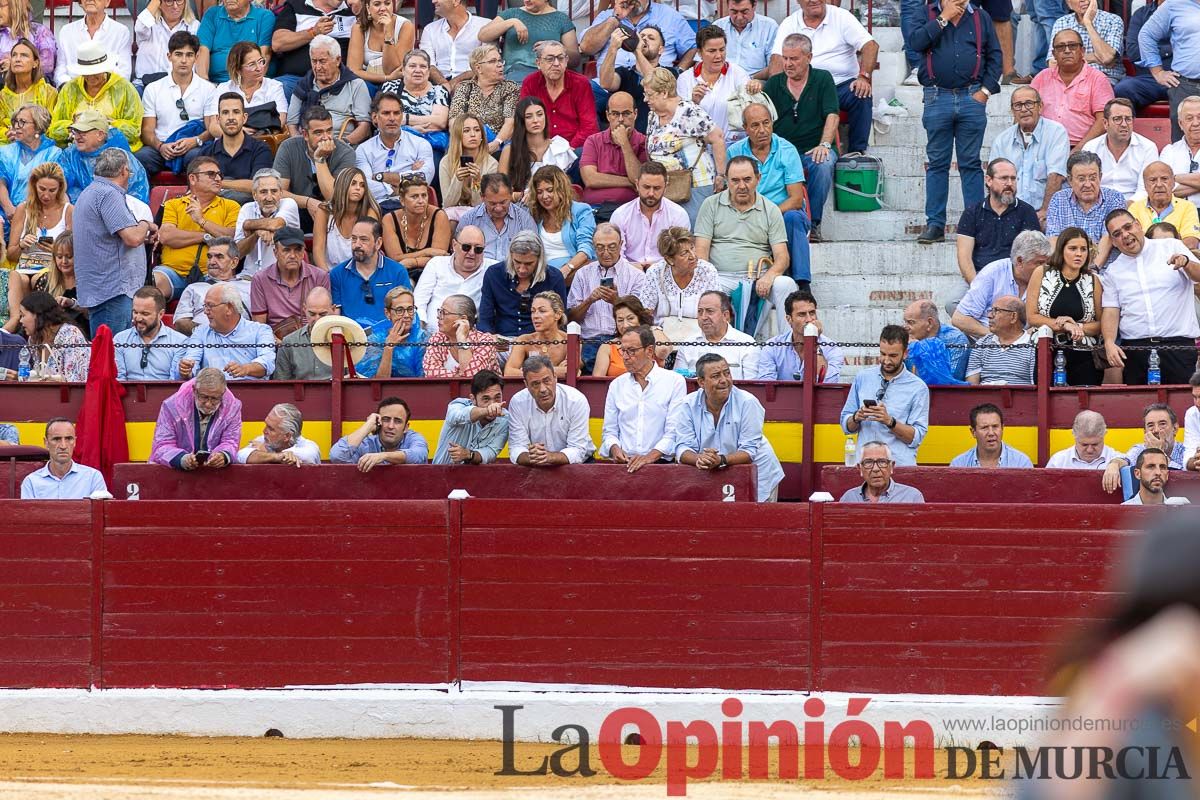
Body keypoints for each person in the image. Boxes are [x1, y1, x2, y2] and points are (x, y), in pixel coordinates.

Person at [906, 1, 1001, 246]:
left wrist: (986, 92)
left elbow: (995, 55)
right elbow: (915, 43)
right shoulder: (926, 13)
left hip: (972, 97)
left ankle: (973, 226)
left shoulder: (981, 17)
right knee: (937, 163)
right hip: (937, 96)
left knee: (970, 163)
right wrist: (943, 18)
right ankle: (935, 224)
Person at [694, 156, 798, 332]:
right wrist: (709, 277)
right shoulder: (710, 205)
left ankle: (787, 346)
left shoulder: (771, 210)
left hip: (758, 279)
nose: (741, 186)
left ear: (758, 179)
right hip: (720, 277)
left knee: (786, 284)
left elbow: (782, 257)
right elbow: (701, 250)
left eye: (747, 179)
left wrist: (769, 276)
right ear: (726, 180)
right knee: (705, 287)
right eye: (735, 180)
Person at [1101, 207, 1200, 385]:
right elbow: (1110, 310)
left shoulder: (1171, 246)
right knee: (1139, 409)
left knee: (1183, 405)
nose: (1125, 235)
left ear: (1138, 225)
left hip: (1178, 347)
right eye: (1117, 233)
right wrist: (1109, 342)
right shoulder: (1113, 271)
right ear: (1113, 242)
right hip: (1136, 350)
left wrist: (1186, 263)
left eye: (1128, 227)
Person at [770, 0, 878, 155]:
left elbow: (870, 46)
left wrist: (863, 77)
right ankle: (783, 152)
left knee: (861, 93)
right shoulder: (790, 23)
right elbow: (777, 60)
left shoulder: (841, 17)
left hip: (841, 85)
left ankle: (857, 153)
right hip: (806, 87)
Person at [673, 352, 783, 502]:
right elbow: (682, 448)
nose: (724, 380)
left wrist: (720, 460)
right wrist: (699, 459)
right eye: (716, 376)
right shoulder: (687, 405)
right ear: (701, 382)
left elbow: (749, 451)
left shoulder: (747, 402)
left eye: (727, 373)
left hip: (759, 473)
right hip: (714, 473)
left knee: (757, 522)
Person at [762, 34, 839, 242]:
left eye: (794, 59)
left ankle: (813, 224)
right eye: (785, 58)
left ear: (809, 57)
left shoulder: (823, 79)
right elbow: (762, 116)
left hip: (813, 147)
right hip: (782, 151)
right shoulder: (774, 83)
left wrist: (824, 144)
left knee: (822, 164)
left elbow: (832, 114)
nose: (788, 64)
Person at [727, 103, 811, 287]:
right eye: (755, 125)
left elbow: (796, 199)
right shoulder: (735, 152)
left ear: (772, 123)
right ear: (745, 129)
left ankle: (802, 283)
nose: (762, 130)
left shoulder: (787, 150)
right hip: (747, 212)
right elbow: (731, 191)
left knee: (794, 218)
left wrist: (767, 215)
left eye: (766, 123)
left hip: (781, 212)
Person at [72, 149, 154, 337]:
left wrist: (144, 237)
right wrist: (145, 224)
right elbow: (132, 238)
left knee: (104, 354)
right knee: (112, 357)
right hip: (113, 291)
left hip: (102, 288)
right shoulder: (108, 194)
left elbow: (108, 237)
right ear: (124, 171)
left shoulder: (90, 192)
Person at [642, 66, 726, 226]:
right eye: (645, 94)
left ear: (664, 93)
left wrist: (721, 175)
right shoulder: (653, 114)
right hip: (667, 187)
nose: (646, 99)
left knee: (693, 233)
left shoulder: (688, 112)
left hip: (696, 186)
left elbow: (718, 138)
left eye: (649, 95)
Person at [840, 324, 930, 466]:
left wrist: (889, 421)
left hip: (899, 467)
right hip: (865, 466)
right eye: (883, 354)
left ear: (905, 353)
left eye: (893, 356)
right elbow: (845, 425)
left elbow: (916, 438)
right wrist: (856, 417)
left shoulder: (918, 388)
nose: (886, 360)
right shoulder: (862, 377)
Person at [600, 323, 686, 470]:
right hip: (623, 464)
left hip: (661, 465)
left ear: (649, 351)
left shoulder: (674, 382)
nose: (625, 357)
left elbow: (674, 432)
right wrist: (615, 449)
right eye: (623, 351)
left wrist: (648, 458)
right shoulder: (616, 385)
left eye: (632, 351)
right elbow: (610, 430)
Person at [154, 156, 240, 302]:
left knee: (219, 293)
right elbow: (167, 236)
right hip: (172, 272)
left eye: (220, 174)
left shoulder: (231, 206)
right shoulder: (173, 204)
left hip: (213, 272)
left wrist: (201, 220)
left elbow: (230, 238)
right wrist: (206, 236)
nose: (218, 178)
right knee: (153, 285)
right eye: (211, 174)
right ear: (193, 179)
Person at [1027, 226, 1104, 386]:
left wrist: (1076, 326)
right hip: (1047, 352)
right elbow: (1032, 317)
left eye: (1083, 249)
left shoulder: (1093, 280)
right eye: (1073, 248)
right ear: (1061, 249)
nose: (1079, 254)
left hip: (1084, 356)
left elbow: (1100, 324)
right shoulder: (1042, 272)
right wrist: (1065, 325)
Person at [567, 222, 645, 370]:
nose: (606, 252)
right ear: (593, 246)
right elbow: (571, 318)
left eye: (612, 246)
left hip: (622, 341)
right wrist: (589, 300)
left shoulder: (636, 276)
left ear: (621, 244)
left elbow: (641, 317)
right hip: (587, 341)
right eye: (600, 247)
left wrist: (617, 301)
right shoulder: (583, 274)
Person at [136, 32, 216, 176]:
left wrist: (195, 140)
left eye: (189, 55)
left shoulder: (208, 89)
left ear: (196, 58)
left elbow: (212, 129)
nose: (184, 60)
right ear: (169, 56)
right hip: (161, 146)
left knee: (198, 159)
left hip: (193, 146)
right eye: (178, 54)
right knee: (141, 157)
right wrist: (160, 146)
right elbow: (147, 131)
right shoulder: (153, 88)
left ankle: (195, 198)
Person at [989, 86, 1071, 225]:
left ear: (1040, 107)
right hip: (1011, 211)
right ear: (1012, 111)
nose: (1024, 109)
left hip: (1046, 212)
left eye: (1029, 103)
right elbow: (994, 181)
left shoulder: (1056, 132)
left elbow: (1056, 176)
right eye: (1018, 105)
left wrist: (1045, 211)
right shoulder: (1002, 140)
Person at [955, 159, 1041, 288]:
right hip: (980, 276)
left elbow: (1032, 255)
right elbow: (964, 257)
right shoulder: (972, 212)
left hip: (1014, 278)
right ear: (988, 180)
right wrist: (977, 287)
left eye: (1013, 178)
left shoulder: (1026, 212)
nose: (1010, 183)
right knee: (952, 303)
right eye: (1004, 178)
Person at [952, 230, 1053, 340]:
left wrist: (1021, 338)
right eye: (1039, 263)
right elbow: (959, 318)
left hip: (1027, 344)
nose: (1045, 268)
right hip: (988, 342)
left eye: (1047, 263)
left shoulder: (1049, 278)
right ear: (1019, 261)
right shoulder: (992, 273)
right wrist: (996, 338)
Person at [48, 44, 142, 153]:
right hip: (76, 150)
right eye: (86, 73)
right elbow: (54, 128)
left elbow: (134, 130)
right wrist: (74, 128)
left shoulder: (124, 88)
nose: (91, 77)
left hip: (115, 151)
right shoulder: (70, 88)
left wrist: (107, 125)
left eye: (95, 72)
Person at [273, 106, 355, 228]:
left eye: (329, 131)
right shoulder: (288, 147)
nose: (326, 137)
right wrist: (307, 202)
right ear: (305, 134)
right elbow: (277, 193)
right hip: (297, 209)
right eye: (319, 132)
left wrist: (320, 159)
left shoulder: (346, 153)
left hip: (333, 213)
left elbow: (333, 196)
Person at [1031, 29, 1113, 150]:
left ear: (1082, 51)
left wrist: (1078, 150)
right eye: (1061, 47)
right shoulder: (1041, 78)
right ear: (1053, 54)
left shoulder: (1098, 79)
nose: (1067, 50)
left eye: (1073, 46)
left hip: (1084, 149)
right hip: (1043, 147)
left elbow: (1103, 120)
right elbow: (1026, 110)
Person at [507, 353, 594, 466]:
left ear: (555, 377)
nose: (543, 389)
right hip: (535, 464)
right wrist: (532, 457)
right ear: (526, 385)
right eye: (535, 384)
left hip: (579, 466)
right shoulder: (518, 402)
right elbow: (516, 447)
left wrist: (549, 457)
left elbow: (577, 450)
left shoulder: (576, 400)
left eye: (547, 381)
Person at [676, 26, 756, 147]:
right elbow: (679, 121)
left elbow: (750, 108)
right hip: (698, 149)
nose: (718, 56)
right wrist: (693, 102)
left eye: (722, 49)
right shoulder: (685, 79)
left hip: (733, 146)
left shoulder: (738, 73)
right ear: (699, 53)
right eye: (712, 51)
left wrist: (754, 88)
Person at [149, 367, 243, 470]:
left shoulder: (233, 407)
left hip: (214, 472)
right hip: (174, 472)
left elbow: (231, 441)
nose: (208, 404)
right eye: (204, 397)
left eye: (215, 398)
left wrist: (223, 455)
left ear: (223, 393)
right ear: (194, 390)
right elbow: (162, 445)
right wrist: (182, 458)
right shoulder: (171, 406)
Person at [329, 216, 412, 332]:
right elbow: (335, 318)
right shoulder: (337, 274)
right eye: (354, 239)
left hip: (390, 338)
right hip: (351, 341)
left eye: (363, 239)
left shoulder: (397, 272)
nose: (357, 244)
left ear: (378, 243)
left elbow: (405, 314)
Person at [177, 283, 275, 380]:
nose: (205, 311)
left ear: (229, 308)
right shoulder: (200, 332)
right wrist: (186, 370)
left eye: (210, 306)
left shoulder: (260, 330)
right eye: (205, 306)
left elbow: (267, 363)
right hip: (212, 393)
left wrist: (245, 369)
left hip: (249, 391)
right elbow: (191, 361)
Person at [286, 35, 371, 146]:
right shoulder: (303, 85)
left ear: (337, 60)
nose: (317, 67)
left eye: (322, 61)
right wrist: (300, 147)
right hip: (307, 145)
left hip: (342, 144)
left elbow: (365, 126)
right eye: (314, 61)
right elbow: (292, 124)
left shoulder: (355, 85)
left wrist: (342, 145)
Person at [356, 91, 434, 210]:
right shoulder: (363, 150)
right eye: (386, 113)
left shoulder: (420, 144)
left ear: (402, 116)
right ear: (374, 117)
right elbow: (364, 185)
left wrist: (380, 176)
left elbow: (424, 178)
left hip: (412, 207)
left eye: (396, 113)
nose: (392, 118)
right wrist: (397, 188)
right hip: (376, 207)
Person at [52, 111, 150, 206]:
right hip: (79, 214)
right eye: (75, 132)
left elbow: (136, 197)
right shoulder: (70, 155)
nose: (77, 137)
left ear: (100, 135)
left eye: (82, 133)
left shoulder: (123, 158)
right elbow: (56, 183)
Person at [249, 225, 331, 335]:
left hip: (311, 337)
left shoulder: (320, 276)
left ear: (303, 252)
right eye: (286, 250)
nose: (292, 255)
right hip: (274, 340)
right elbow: (259, 325)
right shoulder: (260, 279)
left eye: (297, 250)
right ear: (275, 252)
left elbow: (324, 319)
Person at [1136, 1, 1200, 142]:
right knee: (1183, 145)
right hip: (1186, 87)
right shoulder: (1173, 4)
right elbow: (1146, 35)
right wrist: (1158, 72)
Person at [519, 40, 598, 152]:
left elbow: (589, 126)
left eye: (560, 58)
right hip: (541, 146)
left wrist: (568, 149)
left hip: (574, 148)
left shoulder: (581, 83)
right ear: (538, 63)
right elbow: (524, 120)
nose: (556, 63)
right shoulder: (530, 83)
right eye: (550, 59)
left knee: (585, 153)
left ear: (566, 62)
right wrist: (543, 147)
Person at [636, 225, 720, 330]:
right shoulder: (655, 272)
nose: (693, 256)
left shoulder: (708, 271)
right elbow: (645, 313)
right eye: (684, 253)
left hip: (700, 334)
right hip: (662, 335)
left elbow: (717, 311)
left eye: (692, 248)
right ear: (669, 259)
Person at [609, 161, 689, 270]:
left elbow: (681, 253)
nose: (651, 193)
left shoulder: (678, 214)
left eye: (657, 188)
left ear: (666, 187)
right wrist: (630, 268)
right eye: (646, 187)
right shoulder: (621, 214)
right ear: (637, 185)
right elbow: (614, 253)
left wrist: (659, 267)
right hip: (628, 271)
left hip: (666, 272)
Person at [596, 24, 673, 136]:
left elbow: (656, 82)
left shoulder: (669, 73)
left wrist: (637, 51)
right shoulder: (624, 73)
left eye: (651, 38)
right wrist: (613, 48)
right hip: (625, 137)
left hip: (658, 138)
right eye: (641, 37)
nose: (645, 39)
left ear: (661, 50)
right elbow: (605, 83)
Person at [198, 92, 274, 204]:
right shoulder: (206, 153)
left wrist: (219, 183)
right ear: (218, 119)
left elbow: (259, 185)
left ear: (244, 118)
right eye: (225, 112)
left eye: (236, 112)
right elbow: (199, 187)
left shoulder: (261, 149)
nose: (231, 118)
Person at [579, 0, 695, 74]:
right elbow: (586, 47)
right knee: (584, 92)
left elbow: (693, 48)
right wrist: (615, 19)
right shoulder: (608, 16)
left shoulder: (669, 15)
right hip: (608, 86)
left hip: (653, 87)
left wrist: (678, 71)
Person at [272, 0, 358, 99]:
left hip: (338, 82)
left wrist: (360, 9)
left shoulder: (352, 10)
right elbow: (277, 43)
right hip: (296, 79)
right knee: (277, 88)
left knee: (359, 87)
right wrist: (313, 32)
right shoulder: (296, 5)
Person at [754, 288, 843, 382]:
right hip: (784, 397)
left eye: (812, 313)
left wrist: (815, 343)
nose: (809, 319)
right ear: (789, 319)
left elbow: (828, 383)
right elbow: (767, 385)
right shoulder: (772, 346)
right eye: (802, 314)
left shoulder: (831, 348)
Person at [478, 0, 577, 86]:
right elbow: (483, 35)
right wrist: (511, 22)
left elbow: (575, 59)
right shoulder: (511, 14)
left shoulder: (561, 19)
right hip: (516, 72)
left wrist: (552, 47)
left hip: (550, 72)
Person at [579, 91, 647, 215]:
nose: (621, 120)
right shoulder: (593, 141)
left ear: (635, 114)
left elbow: (638, 177)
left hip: (629, 211)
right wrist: (629, 182)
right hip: (595, 209)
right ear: (607, 115)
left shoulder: (644, 142)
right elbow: (590, 179)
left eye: (626, 113)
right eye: (615, 114)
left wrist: (625, 143)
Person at [1080, 99, 1160, 202]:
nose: (1124, 124)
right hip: (1097, 205)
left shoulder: (1147, 148)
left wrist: (1122, 210)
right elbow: (1085, 186)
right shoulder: (1090, 148)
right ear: (1105, 123)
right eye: (1117, 119)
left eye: (1128, 119)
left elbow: (1145, 190)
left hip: (1134, 208)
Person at [1102, 402, 1188, 495]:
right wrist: (1114, 464)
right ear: (1145, 432)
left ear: (1175, 429)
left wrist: (1159, 453)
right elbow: (1125, 459)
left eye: (1162, 424)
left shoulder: (1186, 451)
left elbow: (1188, 480)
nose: (1156, 430)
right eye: (1151, 425)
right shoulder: (1140, 449)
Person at [446, 45, 519, 156]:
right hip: (467, 142)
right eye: (493, 61)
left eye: (500, 61)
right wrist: (465, 142)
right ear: (478, 68)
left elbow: (510, 122)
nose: (499, 65)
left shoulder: (510, 88)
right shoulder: (464, 88)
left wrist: (496, 142)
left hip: (497, 145)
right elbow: (454, 121)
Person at [204, 43, 287, 139]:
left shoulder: (274, 87)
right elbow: (213, 127)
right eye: (252, 64)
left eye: (261, 61)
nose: (259, 68)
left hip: (263, 141)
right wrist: (237, 134)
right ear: (238, 69)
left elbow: (280, 121)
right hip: (229, 143)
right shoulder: (224, 89)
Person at [499, 96, 576, 199]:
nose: (536, 120)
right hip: (522, 206)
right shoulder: (509, 151)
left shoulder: (560, 147)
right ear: (521, 120)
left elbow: (568, 188)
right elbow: (500, 190)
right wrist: (520, 196)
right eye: (529, 116)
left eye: (540, 115)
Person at [172, 237, 251, 336]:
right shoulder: (194, 288)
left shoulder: (250, 287)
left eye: (219, 257)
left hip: (240, 342)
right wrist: (209, 334)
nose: (212, 262)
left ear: (234, 262)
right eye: (209, 257)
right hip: (201, 343)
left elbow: (260, 320)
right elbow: (180, 322)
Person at [527, 165, 596, 278]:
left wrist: (567, 268)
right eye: (539, 192)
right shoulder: (534, 215)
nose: (544, 196)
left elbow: (586, 248)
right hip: (542, 272)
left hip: (573, 269)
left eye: (550, 190)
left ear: (561, 189)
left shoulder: (581, 210)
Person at [431, 368, 510, 465]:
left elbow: (491, 452)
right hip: (440, 475)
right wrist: (487, 411)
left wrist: (469, 455)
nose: (493, 404)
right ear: (473, 399)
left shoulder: (505, 419)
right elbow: (461, 415)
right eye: (486, 399)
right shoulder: (457, 405)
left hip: (476, 479)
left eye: (497, 397)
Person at [234, 168, 302, 278]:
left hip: (282, 277)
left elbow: (275, 224)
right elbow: (237, 253)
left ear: (281, 193)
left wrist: (248, 224)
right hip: (249, 277)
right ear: (254, 194)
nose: (269, 197)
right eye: (263, 192)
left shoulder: (289, 203)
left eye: (274, 191)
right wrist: (256, 234)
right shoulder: (247, 208)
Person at [5, 162, 69, 277]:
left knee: (38, 278)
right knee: (15, 277)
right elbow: (10, 256)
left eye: (52, 190)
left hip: (54, 270)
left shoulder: (68, 211)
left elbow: (75, 255)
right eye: (42, 189)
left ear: (60, 189)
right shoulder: (23, 209)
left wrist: (57, 250)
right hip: (26, 268)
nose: (46, 195)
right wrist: (21, 245)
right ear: (34, 185)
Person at [413, 225, 488, 325]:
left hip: (470, 337)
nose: (472, 253)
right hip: (431, 335)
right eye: (466, 247)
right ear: (454, 245)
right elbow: (419, 302)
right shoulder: (436, 264)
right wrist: (421, 330)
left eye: (478, 249)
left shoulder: (492, 270)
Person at [674, 290, 757, 379]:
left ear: (725, 315)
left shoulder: (747, 344)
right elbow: (679, 382)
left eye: (710, 311)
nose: (703, 317)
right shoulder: (688, 344)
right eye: (700, 311)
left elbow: (752, 385)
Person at [381, 174, 451, 279]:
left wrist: (412, 262)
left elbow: (440, 258)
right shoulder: (389, 219)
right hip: (401, 274)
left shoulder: (439, 216)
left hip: (435, 274)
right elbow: (395, 259)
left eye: (424, 195)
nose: (421, 201)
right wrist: (427, 252)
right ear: (402, 201)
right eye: (414, 196)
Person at [331, 396, 428, 470]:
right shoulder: (367, 443)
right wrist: (368, 426)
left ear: (406, 427)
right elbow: (337, 456)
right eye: (386, 419)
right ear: (378, 422)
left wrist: (383, 456)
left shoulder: (413, 438)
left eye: (397, 421)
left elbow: (418, 455)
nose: (391, 426)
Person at [311, 167, 381, 270]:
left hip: (361, 273)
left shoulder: (370, 213)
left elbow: (369, 252)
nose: (358, 188)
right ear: (342, 185)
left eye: (362, 185)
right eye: (353, 183)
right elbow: (318, 249)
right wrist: (327, 276)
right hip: (330, 273)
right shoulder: (324, 211)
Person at [457, 173, 537, 263]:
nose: (498, 208)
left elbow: (534, 255)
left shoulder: (524, 220)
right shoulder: (469, 220)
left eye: (503, 202)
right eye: (492, 203)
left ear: (511, 193)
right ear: (482, 197)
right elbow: (459, 254)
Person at [20, 418, 106, 499]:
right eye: (56, 439)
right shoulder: (31, 482)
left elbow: (100, 513)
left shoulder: (93, 478)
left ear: (75, 442)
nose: (63, 446)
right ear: (46, 443)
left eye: (68, 439)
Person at [113, 286, 187, 381]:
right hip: (129, 395)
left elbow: (175, 383)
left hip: (166, 395)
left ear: (160, 314)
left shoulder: (180, 342)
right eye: (135, 312)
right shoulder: (120, 339)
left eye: (145, 314)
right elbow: (119, 380)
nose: (138, 318)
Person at [384, 49, 449, 154]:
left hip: (429, 145)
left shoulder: (439, 91)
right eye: (412, 66)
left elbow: (440, 122)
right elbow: (386, 119)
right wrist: (413, 130)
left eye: (423, 67)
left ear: (428, 72)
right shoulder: (391, 87)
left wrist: (406, 119)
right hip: (395, 143)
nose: (418, 70)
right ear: (404, 70)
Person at [53, 0, 132, 87]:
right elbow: (60, 71)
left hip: (109, 90)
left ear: (107, 2)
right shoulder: (67, 31)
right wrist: (72, 88)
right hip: (73, 90)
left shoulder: (120, 32)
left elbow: (124, 73)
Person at [195, 0, 274, 85]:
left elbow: (264, 54)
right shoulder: (212, 14)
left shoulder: (264, 16)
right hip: (214, 83)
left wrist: (246, 87)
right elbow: (202, 49)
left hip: (249, 84)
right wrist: (204, 84)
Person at [16, 291, 90, 381]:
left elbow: (79, 380)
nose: (21, 321)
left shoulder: (70, 334)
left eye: (23, 315)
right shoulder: (34, 339)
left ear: (38, 314)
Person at [422, 294, 499, 379]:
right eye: (440, 311)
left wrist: (462, 340)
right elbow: (430, 373)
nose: (438, 316)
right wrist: (458, 376)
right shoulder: (437, 339)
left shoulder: (484, 341)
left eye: (444, 312)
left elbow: (473, 378)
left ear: (463, 319)